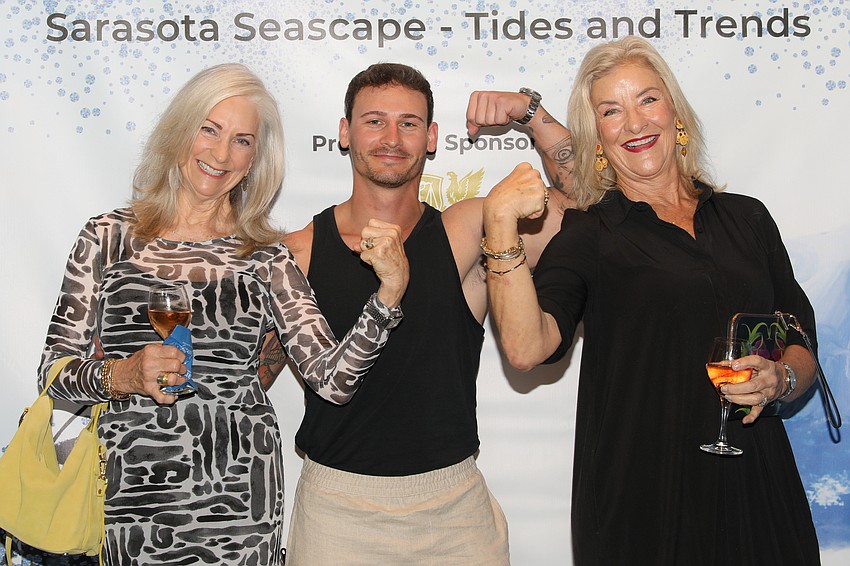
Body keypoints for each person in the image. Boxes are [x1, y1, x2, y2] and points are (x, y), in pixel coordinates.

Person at [33, 63, 408, 566]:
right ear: (181, 130)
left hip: (238, 495)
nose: (221, 153)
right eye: (209, 129)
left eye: (242, 140)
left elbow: (333, 380)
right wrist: (121, 374)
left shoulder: (267, 256)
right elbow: (53, 376)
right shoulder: (107, 238)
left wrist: (388, 295)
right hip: (129, 491)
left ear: (256, 158)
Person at [482, 36, 821, 565]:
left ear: (675, 113)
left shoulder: (748, 217)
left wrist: (782, 380)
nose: (634, 123)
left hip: (758, 487)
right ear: (597, 137)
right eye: (611, 111)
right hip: (645, 504)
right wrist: (500, 226)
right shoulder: (589, 232)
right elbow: (529, 348)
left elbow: (799, 337)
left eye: (647, 99)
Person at [268, 63, 574, 565]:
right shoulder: (298, 251)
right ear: (345, 132)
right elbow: (248, 377)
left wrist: (532, 115)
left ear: (431, 138)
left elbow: (586, 213)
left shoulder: (468, 230)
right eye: (374, 121)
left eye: (408, 123)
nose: (392, 137)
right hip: (336, 513)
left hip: (455, 512)